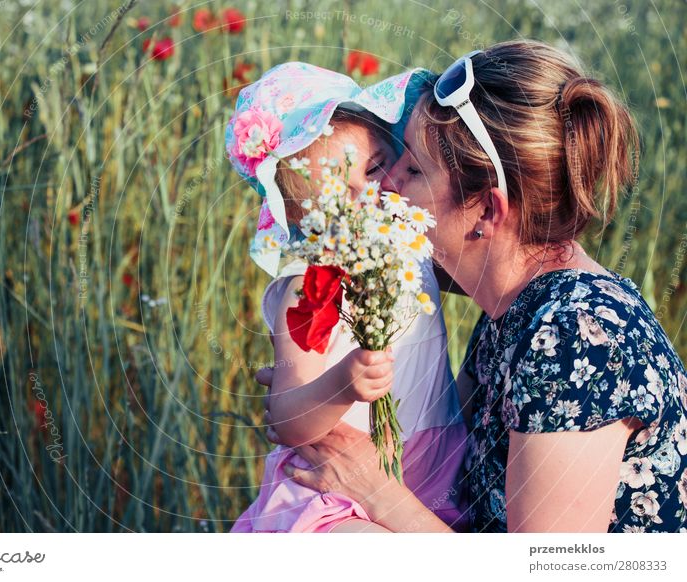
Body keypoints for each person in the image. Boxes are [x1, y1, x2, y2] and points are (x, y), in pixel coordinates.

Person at [261, 40, 687, 533]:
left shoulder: (578, 339)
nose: (389, 182)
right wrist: (317, 387)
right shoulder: (517, 308)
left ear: (486, 209)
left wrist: (374, 489)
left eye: (413, 168)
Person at [225, 62, 468, 533]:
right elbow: (289, 418)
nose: (369, 195)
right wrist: (341, 384)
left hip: (433, 468)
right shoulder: (310, 286)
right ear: (300, 212)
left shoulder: (410, 244)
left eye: (376, 167)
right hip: (334, 485)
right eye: (337, 191)